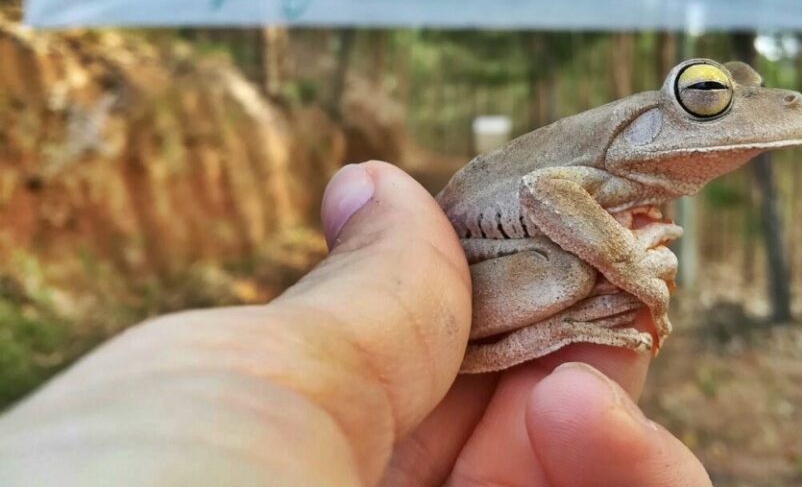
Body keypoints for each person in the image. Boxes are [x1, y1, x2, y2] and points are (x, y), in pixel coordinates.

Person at [0, 161, 711, 486]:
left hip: (504, 289)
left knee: (574, 374)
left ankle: (569, 319)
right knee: (575, 277)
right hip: (483, 273)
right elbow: (546, 187)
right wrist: (623, 259)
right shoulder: (609, 163)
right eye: (707, 97)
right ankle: (567, 319)